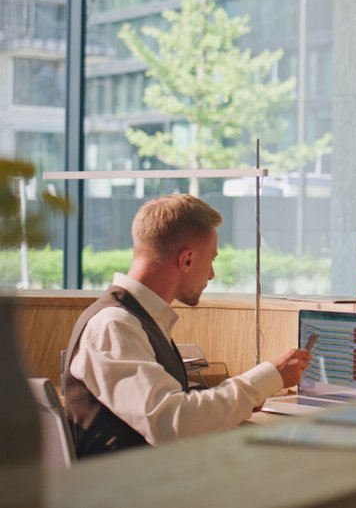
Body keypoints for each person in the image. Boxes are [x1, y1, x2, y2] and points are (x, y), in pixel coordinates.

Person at [63, 194, 312, 458]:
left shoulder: (137, 319)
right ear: (187, 260)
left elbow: (171, 410)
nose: (212, 274)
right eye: (212, 260)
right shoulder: (113, 325)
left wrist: (235, 402)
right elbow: (173, 423)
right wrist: (268, 378)